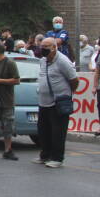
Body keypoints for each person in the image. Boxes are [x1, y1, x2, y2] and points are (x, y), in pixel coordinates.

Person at [34, 37, 79, 168]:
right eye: (41, 46)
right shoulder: (43, 61)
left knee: (58, 132)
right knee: (43, 130)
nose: (43, 49)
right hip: (43, 102)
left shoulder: (63, 61)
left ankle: (57, 158)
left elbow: (74, 80)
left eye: (46, 47)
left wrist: (66, 94)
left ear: (54, 48)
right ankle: (45, 155)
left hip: (58, 102)